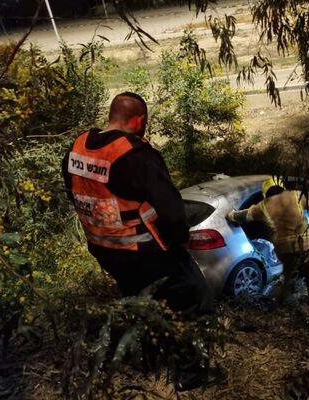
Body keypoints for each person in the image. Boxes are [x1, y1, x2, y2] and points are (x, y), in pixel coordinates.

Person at [61, 92, 222, 391]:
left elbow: (76, 193)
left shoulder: (78, 148)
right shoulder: (135, 155)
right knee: (195, 300)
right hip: (145, 251)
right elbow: (171, 210)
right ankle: (191, 374)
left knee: (141, 303)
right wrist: (179, 241)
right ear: (139, 120)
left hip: (105, 250)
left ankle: (150, 358)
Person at [225, 177, 309, 304]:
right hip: (305, 244)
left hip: (284, 249)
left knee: (288, 276)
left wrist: (230, 215)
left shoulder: (264, 205)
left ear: (266, 192)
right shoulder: (295, 195)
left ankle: (283, 301)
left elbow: (245, 215)